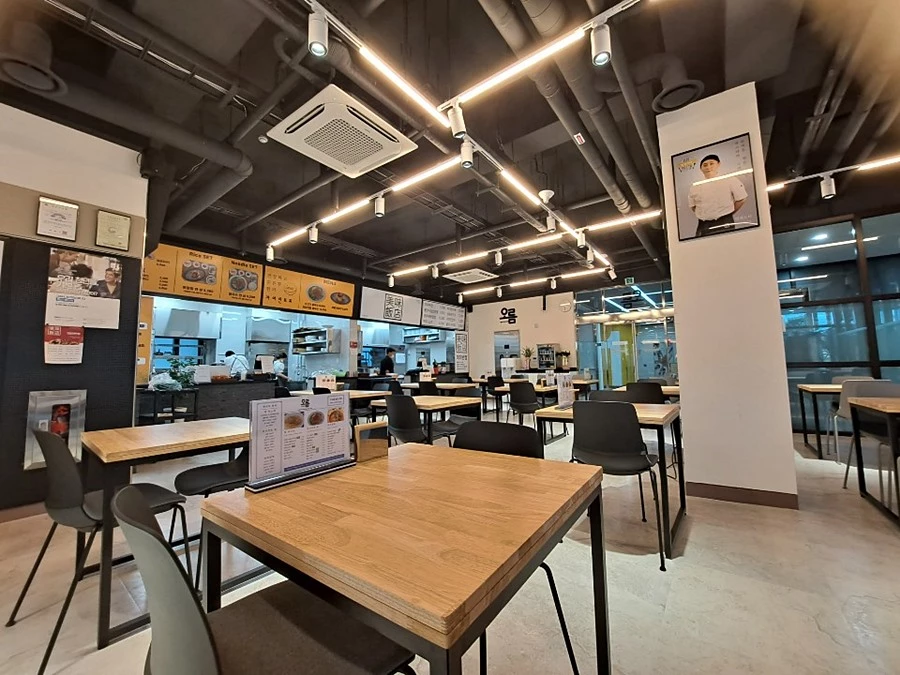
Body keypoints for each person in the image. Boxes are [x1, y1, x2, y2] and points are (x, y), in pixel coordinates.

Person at [687, 154, 749, 237]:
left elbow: (741, 199)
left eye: (711, 163)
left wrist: (727, 212)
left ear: (718, 164)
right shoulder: (695, 186)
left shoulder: (730, 180)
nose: (708, 167)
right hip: (703, 224)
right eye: (705, 165)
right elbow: (693, 206)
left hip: (723, 222)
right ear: (701, 168)